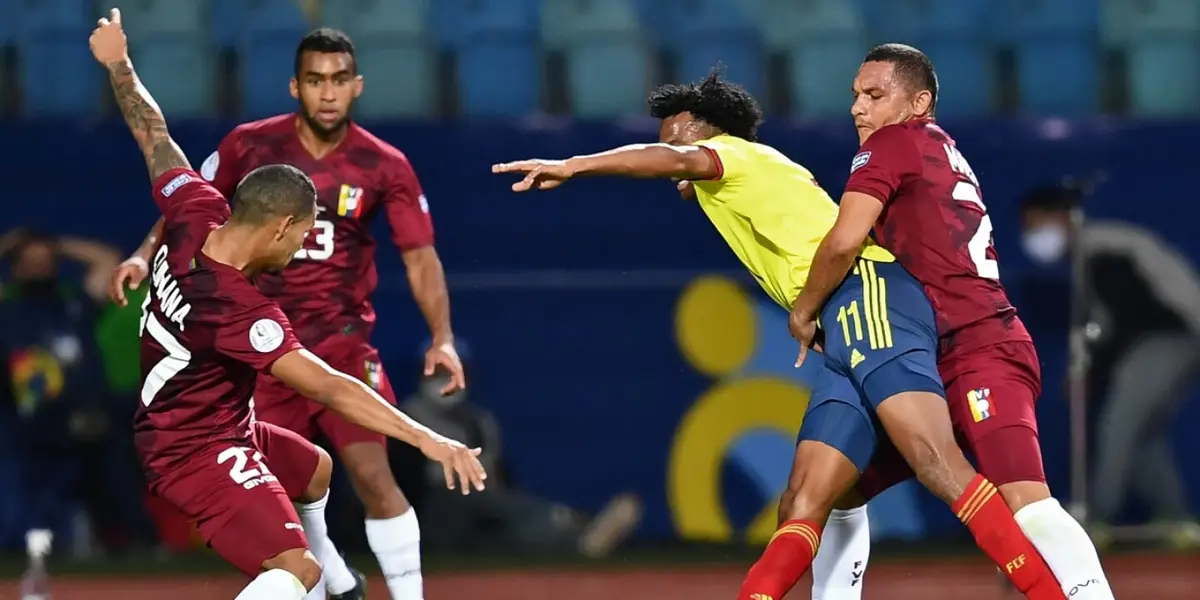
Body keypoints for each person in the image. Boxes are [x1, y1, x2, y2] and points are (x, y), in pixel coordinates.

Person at [493, 70, 1065, 600]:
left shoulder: (733, 156)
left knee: (939, 464)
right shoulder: (745, 182)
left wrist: (575, 164)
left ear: (699, 131)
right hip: (847, 317)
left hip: (866, 295)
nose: (672, 165)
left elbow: (674, 159)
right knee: (805, 498)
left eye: (675, 140)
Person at [89, 10, 486, 600]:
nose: (306, 246)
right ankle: (315, 578)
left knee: (316, 471)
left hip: (220, 421)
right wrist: (429, 439)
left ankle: (338, 580)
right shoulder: (239, 310)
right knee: (293, 572)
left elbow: (154, 135)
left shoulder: (193, 209)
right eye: (303, 233)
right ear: (278, 228)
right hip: (194, 448)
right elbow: (331, 387)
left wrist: (119, 62)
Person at [790, 44, 1114, 600]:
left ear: (918, 102)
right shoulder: (937, 148)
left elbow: (844, 240)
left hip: (977, 347)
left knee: (1025, 499)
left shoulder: (892, 144)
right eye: (854, 97)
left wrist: (804, 309)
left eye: (874, 95)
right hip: (923, 359)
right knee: (840, 493)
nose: (857, 109)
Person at [1020, 185, 1200, 546]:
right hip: (1167, 340)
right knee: (1143, 436)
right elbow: (1108, 325)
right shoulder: (1091, 256)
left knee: (1117, 424)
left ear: (1063, 217)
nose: (1035, 235)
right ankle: (1179, 521)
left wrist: (1091, 371)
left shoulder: (1104, 249)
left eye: (1040, 224)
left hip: (1169, 338)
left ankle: (1094, 519)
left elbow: (1129, 318)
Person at [401, 371, 642, 557]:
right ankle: (571, 526)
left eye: (451, 372)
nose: (444, 380)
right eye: (436, 372)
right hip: (441, 502)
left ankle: (577, 538)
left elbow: (496, 469)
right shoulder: (409, 417)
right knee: (514, 511)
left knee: (501, 537)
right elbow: (407, 477)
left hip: (482, 503)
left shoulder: (478, 420)